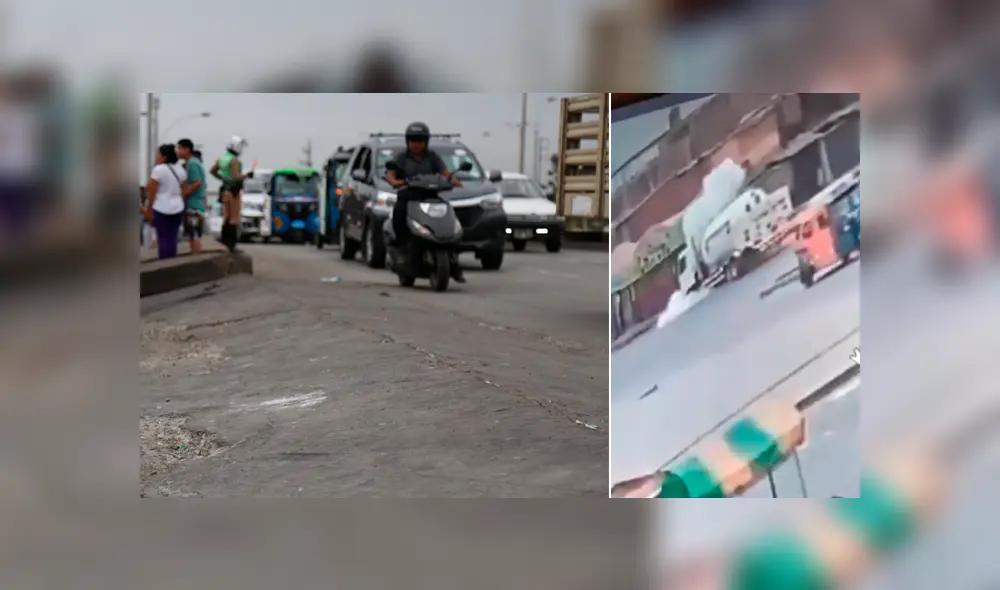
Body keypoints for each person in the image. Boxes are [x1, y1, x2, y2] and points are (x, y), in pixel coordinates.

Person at [384, 121, 464, 282]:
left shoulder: (432, 157)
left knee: (450, 220)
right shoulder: (401, 158)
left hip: (430, 196)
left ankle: (454, 262)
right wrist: (395, 181)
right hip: (409, 197)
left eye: (419, 141)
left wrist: (454, 181)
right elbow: (390, 174)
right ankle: (402, 246)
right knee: (399, 212)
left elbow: (445, 173)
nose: (416, 144)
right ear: (408, 142)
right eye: (413, 141)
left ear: (425, 142)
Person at [142, 144, 188, 259]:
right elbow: (184, 190)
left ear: (164, 157)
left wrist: (149, 209)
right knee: (172, 238)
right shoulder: (180, 169)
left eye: (158, 154)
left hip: (161, 208)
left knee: (163, 238)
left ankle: (164, 262)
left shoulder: (159, 169)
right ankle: (172, 262)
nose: (156, 157)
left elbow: (151, 190)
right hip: (178, 208)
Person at [210, 135, 252, 252]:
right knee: (234, 218)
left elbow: (212, 171)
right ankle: (231, 245)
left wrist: (223, 178)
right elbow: (235, 177)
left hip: (225, 191)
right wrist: (247, 175)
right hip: (234, 192)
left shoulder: (222, 158)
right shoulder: (234, 160)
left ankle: (224, 242)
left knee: (226, 217)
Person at [177, 138, 206, 254]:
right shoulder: (194, 162)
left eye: (179, 148)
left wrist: (184, 194)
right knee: (193, 234)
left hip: (193, 205)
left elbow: (197, 183)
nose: (177, 151)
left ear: (187, 149)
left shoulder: (192, 163)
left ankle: (196, 256)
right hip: (196, 204)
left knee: (194, 234)